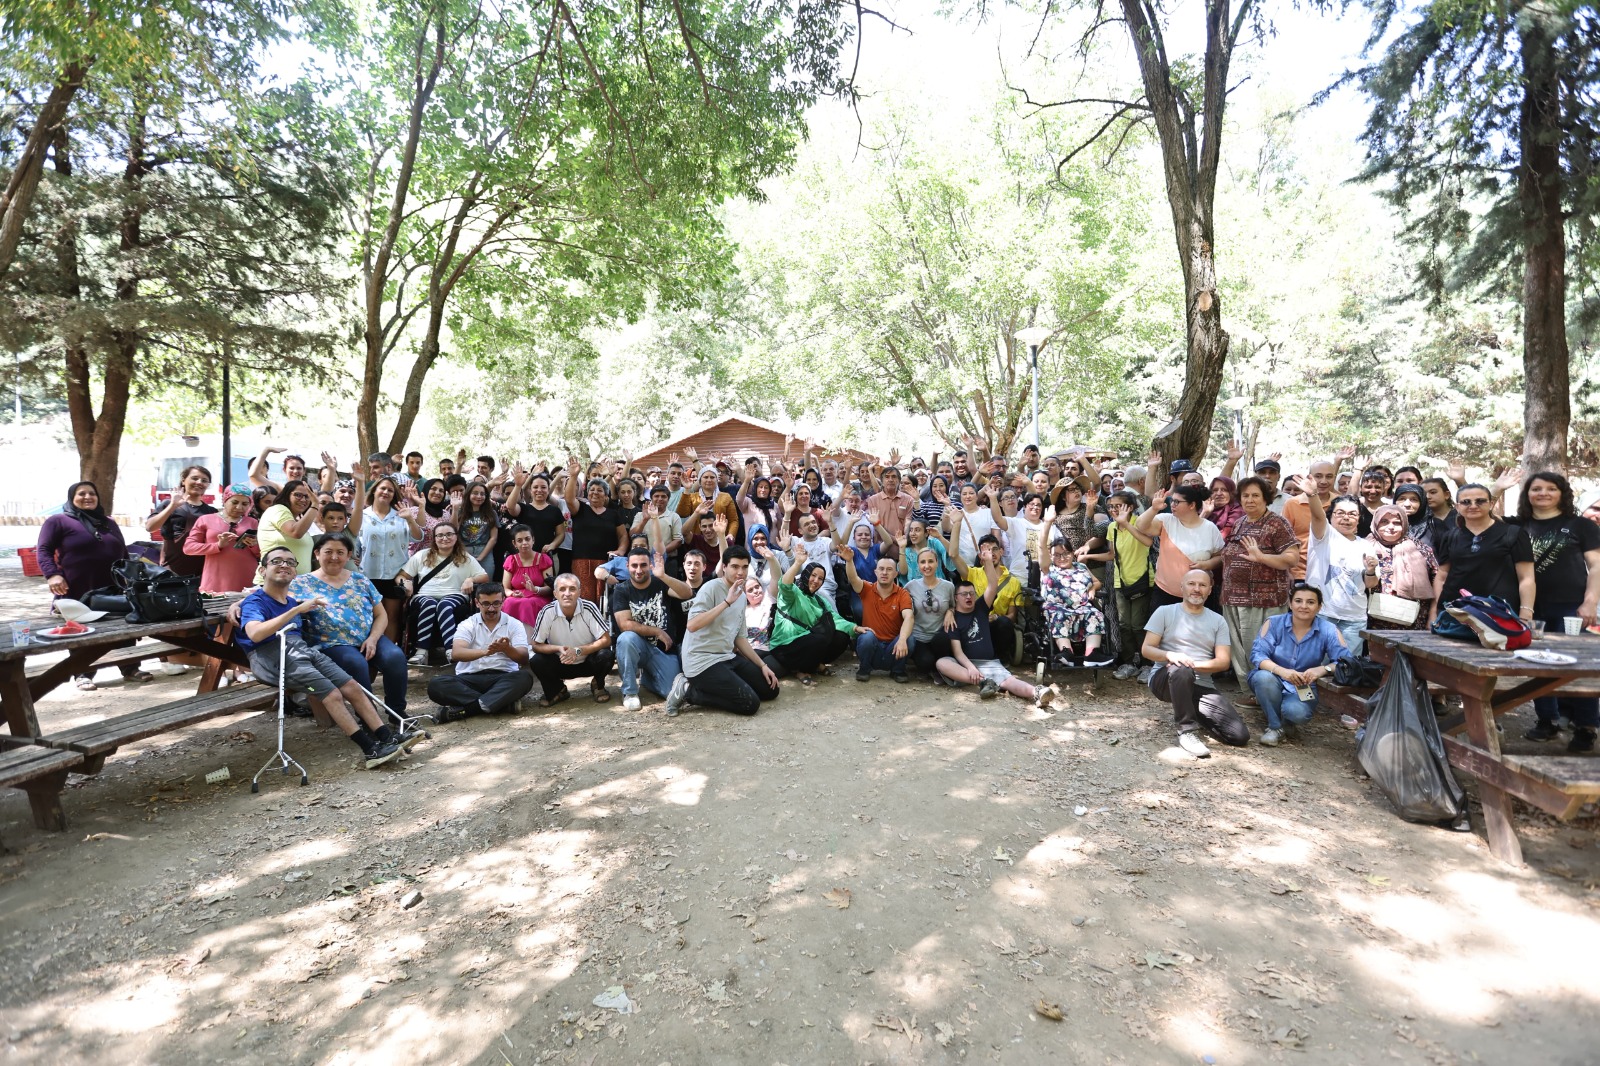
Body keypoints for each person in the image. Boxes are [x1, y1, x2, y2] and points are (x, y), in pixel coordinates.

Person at [239, 547, 405, 767]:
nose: (284, 565)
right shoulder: (256, 602)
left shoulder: (290, 598)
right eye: (276, 561)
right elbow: (255, 633)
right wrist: (295, 611)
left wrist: (295, 608)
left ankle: (387, 736)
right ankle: (370, 750)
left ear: (295, 572)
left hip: (300, 650)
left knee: (352, 687)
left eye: (290, 562)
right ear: (262, 569)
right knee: (332, 694)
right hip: (272, 656)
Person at [1510, 472, 1600, 751]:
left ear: (1563, 493)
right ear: (1527, 494)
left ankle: (1585, 726)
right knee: (1537, 663)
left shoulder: (1580, 525)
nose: (1543, 493)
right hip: (1529, 608)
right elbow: (1478, 511)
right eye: (1536, 488)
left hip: (1570, 605)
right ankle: (1546, 720)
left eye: (1551, 488)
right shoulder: (1517, 526)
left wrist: (1590, 601)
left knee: (1576, 665)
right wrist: (1498, 487)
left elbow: (1597, 566)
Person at [37, 481, 154, 689]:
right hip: (77, 587)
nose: (87, 497)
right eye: (81, 494)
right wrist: (52, 575)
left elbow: (123, 552)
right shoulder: (58, 521)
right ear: (72, 497)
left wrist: (131, 576)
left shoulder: (108, 522)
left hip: (113, 585)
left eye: (92, 493)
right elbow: (43, 550)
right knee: (81, 630)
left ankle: (130, 667)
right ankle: (83, 673)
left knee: (122, 627)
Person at [291, 531, 410, 717]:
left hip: (367, 637)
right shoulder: (300, 583)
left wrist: (373, 638)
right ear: (317, 553)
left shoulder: (360, 579)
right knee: (355, 663)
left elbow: (381, 615)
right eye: (328, 551)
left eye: (340, 552)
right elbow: (270, 597)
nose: (334, 557)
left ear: (348, 555)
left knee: (395, 657)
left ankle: (397, 713)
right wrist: (239, 604)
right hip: (330, 643)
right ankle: (369, 718)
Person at [1141, 569, 1249, 758]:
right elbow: (1147, 649)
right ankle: (1187, 731)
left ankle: (1193, 709)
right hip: (1165, 679)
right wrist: (1171, 655)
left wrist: (1191, 664)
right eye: (1191, 584)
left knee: (1239, 735)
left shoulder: (1218, 621)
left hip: (1201, 683)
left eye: (1202, 585)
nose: (1196, 589)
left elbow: (1223, 662)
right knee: (1181, 670)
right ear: (1182, 587)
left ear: (1209, 589)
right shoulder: (1165, 612)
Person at [663, 546, 781, 716]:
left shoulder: (741, 595)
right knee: (750, 704)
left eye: (744, 567)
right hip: (701, 661)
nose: (740, 572)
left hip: (726, 657)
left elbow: (740, 639)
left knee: (771, 690)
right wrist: (726, 602)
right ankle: (689, 691)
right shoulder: (710, 588)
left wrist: (762, 665)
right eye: (735, 566)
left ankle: (726, 683)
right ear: (724, 567)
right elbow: (692, 625)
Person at [1216, 476, 1300, 689]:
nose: (1250, 500)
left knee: (1260, 648)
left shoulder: (1277, 523)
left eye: (1255, 495)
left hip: (1262, 601)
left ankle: (1265, 691)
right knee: (1239, 649)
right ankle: (1250, 689)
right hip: (1232, 597)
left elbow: (1292, 559)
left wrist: (1262, 557)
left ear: (1266, 498)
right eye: (1245, 495)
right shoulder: (1239, 523)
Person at [1248, 583, 1353, 746]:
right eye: (1298, 601)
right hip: (1273, 676)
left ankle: (1286, 721)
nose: (1304, 606)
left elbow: (1345, 662)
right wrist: (1282, 671)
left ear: (1319, 607)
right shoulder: (1274, 623)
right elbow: (1257, 655)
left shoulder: (1329, 629)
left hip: (1304, 685)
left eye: (1310, 602)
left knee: (1298, 713)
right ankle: (1275, 727)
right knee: (1263, 678)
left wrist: (1323, 669)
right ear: (1290, 604)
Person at [936, 580, 1057, 705]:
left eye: (972, 593)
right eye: (964, 594)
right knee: (942, 663)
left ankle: (1037, 692)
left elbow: (993, 585)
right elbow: (958, 652)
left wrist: (988, 561)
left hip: (988, 663)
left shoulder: (981, 608)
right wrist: (971, 668)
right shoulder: (953, 619)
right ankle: (984, 681)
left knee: (1009, 681)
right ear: (956, 598)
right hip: (964, 666)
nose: (968, 597)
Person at [1429, 484, 1535, 626]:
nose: (1473, 505)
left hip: (1499, 614)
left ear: (1491, 504)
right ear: (1457, 506)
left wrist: (1525, 615)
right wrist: (1441, 608)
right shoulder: (1450, 536)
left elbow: (1526, 578)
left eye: (1480, 501)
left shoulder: (1514, 534)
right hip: (1455, 614)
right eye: (1466, 502)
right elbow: (1442, 575)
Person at [425, 582, 534, 721]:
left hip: (502, 677)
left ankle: (468, 709)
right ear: (477, 603)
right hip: (469, 678)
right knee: (436, 685)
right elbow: (456, 653)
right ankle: (500, 703)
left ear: (503, 602)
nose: (491, 609)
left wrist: (507, 649)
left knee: (524, 678)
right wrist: (485, 652)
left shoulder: (514, 624)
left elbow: (524, 659)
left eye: (496, 603)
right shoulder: (468, 623)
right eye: (486, 604)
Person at [611, 548, 695, 712]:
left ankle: (648, 679)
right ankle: (630, 692)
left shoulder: (660, 583)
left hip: (663, 650)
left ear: (650, 565)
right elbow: (624, 624)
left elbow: (687, 593)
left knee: (673, 692)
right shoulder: (622, 590)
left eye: (643, 565)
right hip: (637, 646)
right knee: (626, 638)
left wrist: (663, 575)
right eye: (634, 565)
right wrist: (656, 631)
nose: (639, 570)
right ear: (627, 566)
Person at [397, 522, 488, 666]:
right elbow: (402, 576)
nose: (444, 538)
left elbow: (484, 576)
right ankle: (421, 652)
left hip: (454, 594)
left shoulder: (465, 557)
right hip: (424, 595)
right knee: (430, 604)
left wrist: (471, 579)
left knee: (444, 605)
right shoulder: (421, 555)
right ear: (434, 538)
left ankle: (452, 650)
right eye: (440, 535)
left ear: (456, 537)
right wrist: (405, 583)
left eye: (449, 534)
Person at [1089, 490, 1154, 681]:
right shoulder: (1112, 528)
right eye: (1110, 506)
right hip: (1120, 582)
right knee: (1124, 624)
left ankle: (1146, 664)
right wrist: (1088, 555)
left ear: (1130, 507)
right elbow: (1112, 555)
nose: (1113, 510)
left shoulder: (1140, 522)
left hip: (1142, 580)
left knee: (1138, 625)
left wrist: (1126, 523)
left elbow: (1148, 542)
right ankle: (1129, 663)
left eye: (1118, 506)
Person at [1300, 490, 1375, 655]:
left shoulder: (1366, 545)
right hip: (1323, 614)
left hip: (1354, 619)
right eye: (1340, 513)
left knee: (1346, 670)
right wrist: (1313, 495)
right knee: (1315, 666)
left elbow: (1370, 584)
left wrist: (1371, 571)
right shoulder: (1323, 536)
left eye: (1352, 514)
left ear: (1359, 518)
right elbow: (1318, 516)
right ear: (1330, 516)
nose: (1346, 518)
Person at [529, 573, 615, 706]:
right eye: (562, 589)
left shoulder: (589, 607)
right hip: (560, 662)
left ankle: (598, 685)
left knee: (606, 655)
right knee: (536, 660)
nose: (567, 593)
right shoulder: (547, 612)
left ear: (579, 592)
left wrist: (578, 651)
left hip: (587, 661)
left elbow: (606, 640)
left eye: (572, 589)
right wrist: (558, 648)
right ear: (555, 593)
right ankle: (558, 690)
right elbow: (535, 645)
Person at [765, 557, 855, 683]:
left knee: (842, 637)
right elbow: (785, 585)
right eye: (813, 575)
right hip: (784, 645)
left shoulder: (819, 600)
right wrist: (798, 563)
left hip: (807, 641)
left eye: (820, 579)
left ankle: (814, 664)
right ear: (806, 574)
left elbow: (834, 619)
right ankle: (800, 670)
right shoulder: (793, 593)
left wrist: (854, 628)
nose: (816, 581)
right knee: (818, 639)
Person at [1135, 483, 1224, 609]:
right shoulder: (1166, 520)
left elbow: (1220, 557)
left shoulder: (1210, 528)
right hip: (1164, 592)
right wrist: (1154, 508)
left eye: (1177, 502)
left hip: (1198, 595)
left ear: (1192, 505)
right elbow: (1141, 526)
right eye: (1172, 501)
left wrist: (1206, 565)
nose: (1172, 505)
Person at [360, 475, 421, 643]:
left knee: (392, 617)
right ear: (374, 491)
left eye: (390, 490)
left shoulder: (401, 515)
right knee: (370, 616)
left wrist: (410, 518)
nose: (386, 492)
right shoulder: (362, 515)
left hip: (395, 575)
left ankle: (388, 654)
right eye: (383, 488)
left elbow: (418, 537)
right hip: (368, 574)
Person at [564, 457, 629, 605]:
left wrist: (621, 551)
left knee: (604, 600)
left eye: (599, 490)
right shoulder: (580, 509)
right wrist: (574, 476)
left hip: (606, 563)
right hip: (582, 561)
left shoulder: (613, 514)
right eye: (591, 490)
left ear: (606, 495)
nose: (595, 492)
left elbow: (623, 535)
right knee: (584, 599)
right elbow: (569, 499)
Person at [1364, 503, 1437, 632]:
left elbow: (1436, 580)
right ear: (1376, 523)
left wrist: (1433, 614)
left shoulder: (1420, 548)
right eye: (1384, 522)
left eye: (1397, 523)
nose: (1390, 527)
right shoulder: (1364, 546)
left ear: (1404, 524)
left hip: (1413, 620)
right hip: (1373, 619)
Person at [1038, 540, 1110, 665]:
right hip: (1057, 607)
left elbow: (1097, 582)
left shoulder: (1081, 567)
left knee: (1095, 613)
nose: (1062, 558)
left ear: (1072, 553)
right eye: (1057, 554)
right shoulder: (1048, 568)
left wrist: (1092, 589)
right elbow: (1041, 547)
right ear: (1051, 556)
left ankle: (1091, 654)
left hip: (1081, 606)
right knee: (1060, 615)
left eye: (1066, 553)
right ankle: (1067, 653)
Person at [845, 553, 915, 682]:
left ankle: (898, 671)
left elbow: (909, 617)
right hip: (872, 646)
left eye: (889, 570)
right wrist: (849, 561)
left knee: (909, 639)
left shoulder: (902, 594)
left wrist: (902, 639)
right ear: (875, 572)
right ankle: (864, 669)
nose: (884, 573)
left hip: (894, 648)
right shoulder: (867, 589)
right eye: (881, 569)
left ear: (895, 574)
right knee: (867, 636)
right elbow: (853, 578)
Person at [184, 484, 261, 593]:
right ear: (225, 500)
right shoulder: (205, 520)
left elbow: (261, 553)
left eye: (245, 504)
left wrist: (253, 544)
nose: (239, 507)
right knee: (215, 608)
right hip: (215, 578)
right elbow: (189, 548)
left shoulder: (252, 522)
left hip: (247, 577)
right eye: (234, 502)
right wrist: (217, 546)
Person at [146, 465, 215, 577]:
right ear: (183, 480)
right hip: (172, 571)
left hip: (202, 572)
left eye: (204, 480)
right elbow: (150, 527)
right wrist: (173, 506)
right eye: (194, 478)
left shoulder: (211, 511)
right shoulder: (169, 504)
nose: (199, 482)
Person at [901, 546, 956, 681]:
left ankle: (941, 668)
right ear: (918, 565)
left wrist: (950, 611)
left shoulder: (949, 586)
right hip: (919, 637)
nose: (927, 566)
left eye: (931, 561)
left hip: (939, 636)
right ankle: (931, 666)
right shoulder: (910, 586)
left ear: (937, 563)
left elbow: (953, 606)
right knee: (925, 662)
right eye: (923, 562)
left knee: (942, 640)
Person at [255, 479, 323, 579]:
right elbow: (295, 532)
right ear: (287, 495)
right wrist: (315, 505)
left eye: (307, 496)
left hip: (296, 584)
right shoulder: (278, 509)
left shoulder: (298, 520)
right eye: (298, 495)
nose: (303, 500)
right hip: (273, 583)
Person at [501, 524, 557, 629]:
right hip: (516, 597)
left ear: (533, 540)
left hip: (538, 597)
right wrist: (513, 593)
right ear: (514, 543)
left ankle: (529, 641)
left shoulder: (543, 559)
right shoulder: (511, 560)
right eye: (520, 540)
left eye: (527, 539)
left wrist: (535, 589)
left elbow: (550, 588)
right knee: (509, 602)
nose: (524, 543)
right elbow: (506, 588)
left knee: (527, 603)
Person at [454, 481, 500, 571]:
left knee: (486, 583)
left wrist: (481, 557)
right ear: (468, 494)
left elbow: (493, 538)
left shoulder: (492, 513)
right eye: (475, 493)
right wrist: (455, 510)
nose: (479, 496)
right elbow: (454, 532)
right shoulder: (460, 512)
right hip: (463, 550)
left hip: (485, 552)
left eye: (482, 494)